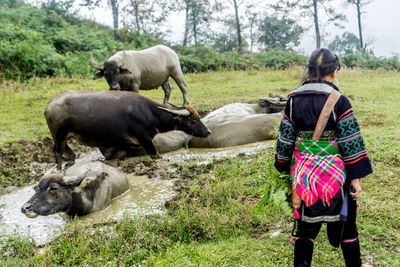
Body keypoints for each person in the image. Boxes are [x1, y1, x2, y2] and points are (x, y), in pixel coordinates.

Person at [274, 48, 373, 267]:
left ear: (309, 71)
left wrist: (283, 169)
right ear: (335, 71)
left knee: (305, 232)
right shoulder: (339, 101)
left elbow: (285, 141)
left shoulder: (292, 100)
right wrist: (355, 179)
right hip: (337, 180)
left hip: (304, 179)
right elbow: (350, 143)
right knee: (348, 230)